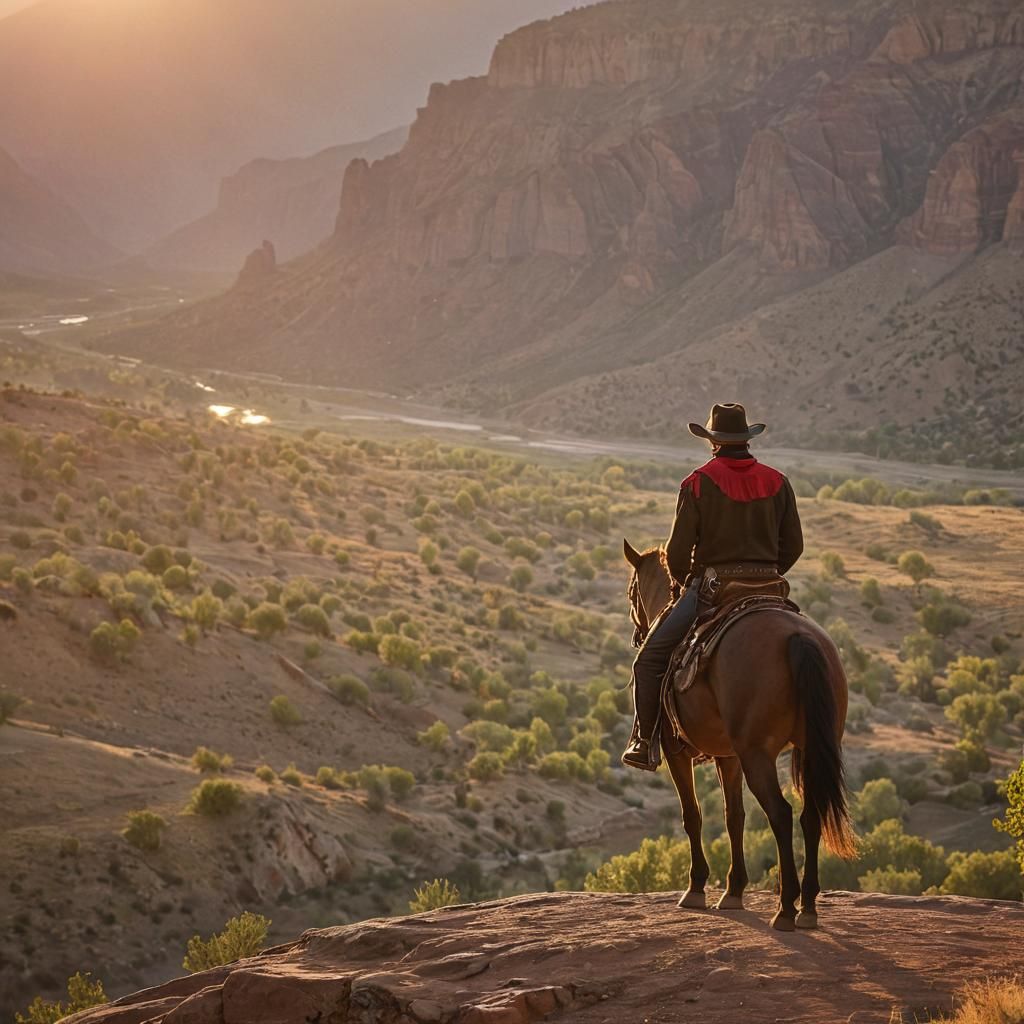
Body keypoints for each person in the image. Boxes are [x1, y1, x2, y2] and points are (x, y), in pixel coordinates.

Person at [621, 403, 804, 772]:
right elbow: (794, 546)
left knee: (649, 660)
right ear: (746, 440)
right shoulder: (778, 481)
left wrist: (687, 580)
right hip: (771, 588)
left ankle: (644, 741)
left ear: (713, 442)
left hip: (714, 586)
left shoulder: (698, 483)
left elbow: (675, 552)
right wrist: (767, 572)